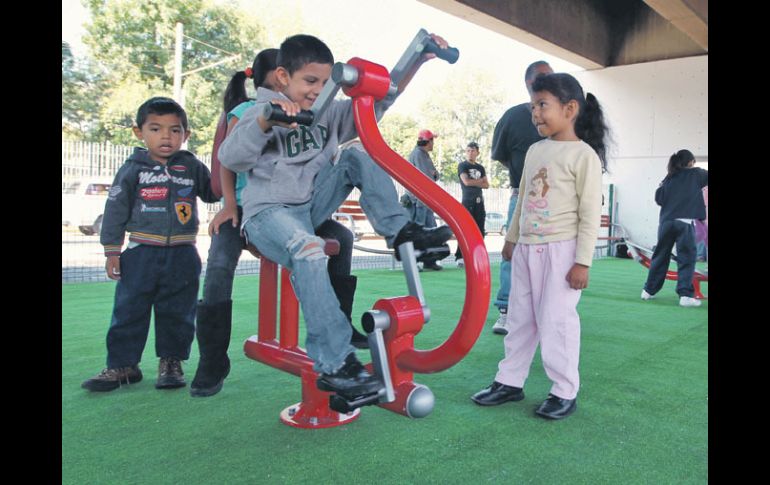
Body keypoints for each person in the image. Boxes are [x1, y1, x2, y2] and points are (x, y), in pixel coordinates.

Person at [218, 34, 453, 397]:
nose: (317, 90)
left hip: (308, 206)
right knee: (309, 249)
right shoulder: (255, 113)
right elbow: (230, 159)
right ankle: (335, 363)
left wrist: (418, 58)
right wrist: (266, 120)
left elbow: (378, 100)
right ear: (283, 77)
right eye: (309, 81)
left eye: (325, 82)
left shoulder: (327, 112)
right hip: (266, 215)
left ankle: (401, 233)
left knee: (356, 153)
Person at [190, 49, 366, 398]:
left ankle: (340, 326)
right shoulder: (249, 111)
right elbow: (227, 161)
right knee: (221, 264)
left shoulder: (306, 112)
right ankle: (212, 357)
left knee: (341, 237)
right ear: (276, 80)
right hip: (244, 208)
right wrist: (228, 204)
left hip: (287, 209)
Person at [471, 72, 609, 420]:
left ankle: (564, 390)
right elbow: (524, 199)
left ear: (570, 108)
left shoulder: (584, 156)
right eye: (533, 106)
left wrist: (583, 262)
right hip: (527, 248)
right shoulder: (535, 150)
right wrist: (512, 237)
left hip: (562, 251)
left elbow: (590, 213)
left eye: (542, 105)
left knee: (556, 320)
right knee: (520, 318)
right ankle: (509, 381)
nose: (535, 113)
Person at [82, 97, 219, 392]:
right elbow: (116, 208)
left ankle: (171, 363)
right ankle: (122, 365)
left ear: (186, 135)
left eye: (175, 130)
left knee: (178, 312)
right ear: (139, 132)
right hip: (141, 253)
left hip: (183, 253)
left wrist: (227, 160)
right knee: (129, 309)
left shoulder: (191, 165)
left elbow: (212, 193)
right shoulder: (133, 168)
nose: (166, 136)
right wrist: (112, 250)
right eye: (156, 129)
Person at [489, 60, 553, 335]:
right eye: (543, 77)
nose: (550, 81)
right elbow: (502, 156)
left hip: (557, 201)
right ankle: (506, 310)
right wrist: (525, 179)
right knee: (511, 253)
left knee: (554, 255)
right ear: (529, 83)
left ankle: (547, 312)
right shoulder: (513, 117)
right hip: (522, 196)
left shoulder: (564, 117)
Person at [641, 149, 708, 307]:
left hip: (666, 223)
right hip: (685, 223)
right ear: (691, 162)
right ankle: (685, 295)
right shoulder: (696, 173)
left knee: (660, 256)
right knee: (686, 258)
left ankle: (648, 291)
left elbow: (659, 198)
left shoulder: (669, 177)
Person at [405, 129, 444, 271]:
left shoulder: (423, 155)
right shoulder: (419, 155)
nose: (434, 143)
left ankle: (429, 260)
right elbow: (428, 177)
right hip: (419, 200)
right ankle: (414, 261)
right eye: (433, 140)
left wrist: (434, 175)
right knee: (419, 231)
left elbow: (435, 175)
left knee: (430, 230)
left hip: (424, 200)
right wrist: (433, 175)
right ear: (428, 141)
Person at [454, 141, 489, 267]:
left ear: (477, 152)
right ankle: (459, 256)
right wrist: (480, 181)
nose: (470, 153)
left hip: (479, 202)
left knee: (480, 230)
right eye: (468, 150)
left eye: (473, 150)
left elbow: (487, 185)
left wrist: (477, 181)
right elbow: (466, 182)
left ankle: (477, 256)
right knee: (465, 229)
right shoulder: (463, 166)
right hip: (467, 201)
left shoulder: (481, 168)